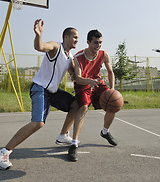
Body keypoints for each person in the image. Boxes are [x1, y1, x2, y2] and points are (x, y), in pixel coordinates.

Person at [0, 19, 79, 170]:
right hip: (40, 88)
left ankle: (63, 136)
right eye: (74, 37)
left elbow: (75, 75)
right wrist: (38, 35)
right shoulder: (56, 46)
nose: (76, 40)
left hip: (53, 92)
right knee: (38, 123)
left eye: (78, 38)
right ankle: (5, 151)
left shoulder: (70, 57)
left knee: (75, 104)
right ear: (66, 37)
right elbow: (40, 47)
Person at [68, 29, 117, 162]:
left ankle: (105, 132)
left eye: (100, 43)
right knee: (83, 108)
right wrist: (89, 81)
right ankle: (74, 144)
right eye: (96, 43)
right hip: (83, 84)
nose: (98, 46)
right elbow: (77, 78)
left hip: (97, 82)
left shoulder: (103, 54)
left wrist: (112, 89)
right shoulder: (78, 57)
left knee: (114, 104)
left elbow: (110, 72)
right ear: (88, 42)